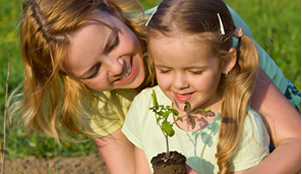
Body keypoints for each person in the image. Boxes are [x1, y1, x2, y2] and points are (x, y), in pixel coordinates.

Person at [8, 0, 300, 173]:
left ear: (113, 8)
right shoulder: (94, 102)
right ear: (70, 77)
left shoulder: (190, 29)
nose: (116, 66)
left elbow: (295, 142)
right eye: (93, 69)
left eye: (113, 43)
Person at [122, 0, 300, 173]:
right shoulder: (144, 107)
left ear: (226, 62)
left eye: (195, 72)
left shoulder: (244, 126)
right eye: (165, 70)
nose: (178, 84)